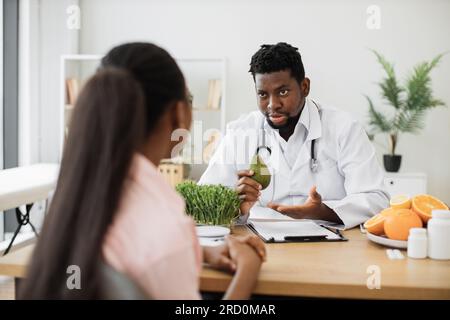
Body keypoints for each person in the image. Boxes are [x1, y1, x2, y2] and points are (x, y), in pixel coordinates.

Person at [19, 43, 265, 299]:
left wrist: (200, 251)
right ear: (179, 113)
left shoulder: (76, 194)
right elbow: (154, 248)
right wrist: (248, 269)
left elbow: (125, 254)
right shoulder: (164, 225)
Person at [199, 42, 389, 229]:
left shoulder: (344, 128)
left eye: (282, 92)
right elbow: (203, 201)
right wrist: (236, 205)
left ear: (304, 86)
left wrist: (322, 211)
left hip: (328, 243)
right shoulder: (239, 132)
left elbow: (375, 199)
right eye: (263, 94)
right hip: (260, 243)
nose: (272, 104)